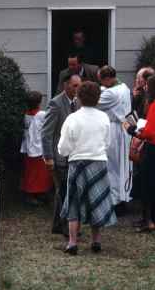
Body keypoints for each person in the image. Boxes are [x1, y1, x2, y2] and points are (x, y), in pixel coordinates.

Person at [58, 80, 116, 254]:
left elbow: (63, 148)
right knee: (96, 201)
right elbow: (108, 143)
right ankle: (96, 241)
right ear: (98, 98)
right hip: (98, 162)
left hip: (77, 163)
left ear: (78, 97)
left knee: (74, 203)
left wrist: (67, 152)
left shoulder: (72, 118)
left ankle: (73, 243)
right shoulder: (104, 117)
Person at [124, 74, 155, 232]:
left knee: (147, 185)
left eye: (147, 86)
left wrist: (132, 130)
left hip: (153, 149)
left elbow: (150, 132)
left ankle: (148, 221)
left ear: (152, 88)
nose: (145, 88)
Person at [41, 72, 82, 235]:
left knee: (64, 190)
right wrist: (48, 157)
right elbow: (46, 133)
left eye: (80, 85)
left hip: (74, 155)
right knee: (65, 191)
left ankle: (58, 224)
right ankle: (66, 226)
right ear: (66, 85)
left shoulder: (79, 103)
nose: (78, 89)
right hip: (59, 157)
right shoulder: (55, 104)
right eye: (75, 86)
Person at [97, 65, 132, 206]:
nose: (100, 84)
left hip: (113, 130)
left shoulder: (110, 94)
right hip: (124, 128)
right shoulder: (124, 87)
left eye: (101, 80)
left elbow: (94, 102)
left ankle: (115, 200)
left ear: (108, 79)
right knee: (123, 166)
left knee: (112, 166)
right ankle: (123, 196)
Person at [20, 90, 53, 205]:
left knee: (30, 173)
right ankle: (40, 194)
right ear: (39, 102)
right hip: (39, 149)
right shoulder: (42, 115)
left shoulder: (26, 115)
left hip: (28, 148)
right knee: (41, 174)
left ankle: (31, 194)